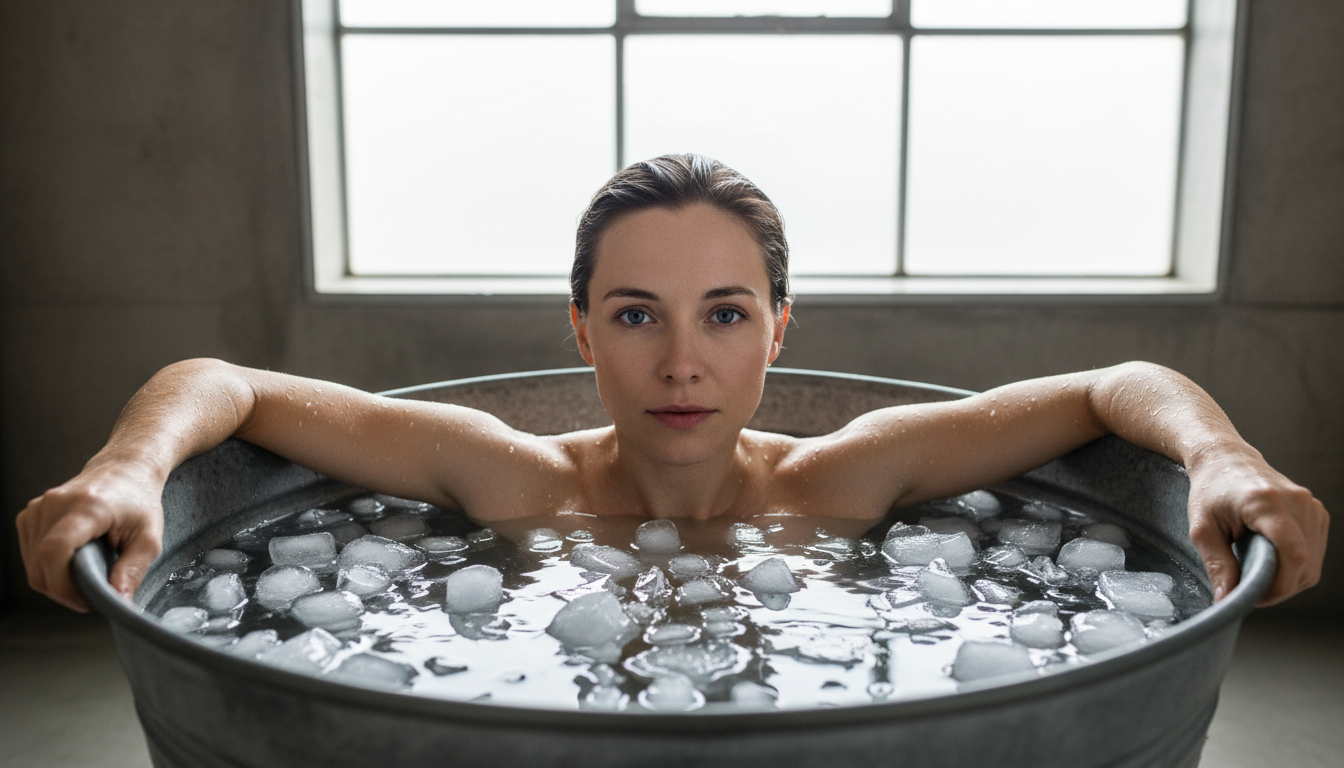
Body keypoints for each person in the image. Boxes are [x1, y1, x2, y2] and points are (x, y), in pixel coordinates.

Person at [17, 154, 1328, 614]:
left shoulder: (846, 480)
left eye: (724, 315)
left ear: (777, 332)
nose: (682, 360)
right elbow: (218, 380)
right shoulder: (508, 478)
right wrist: (128, 468)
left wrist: (1218, 462)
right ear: (582, 330)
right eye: (637, 314)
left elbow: (1123, 382)